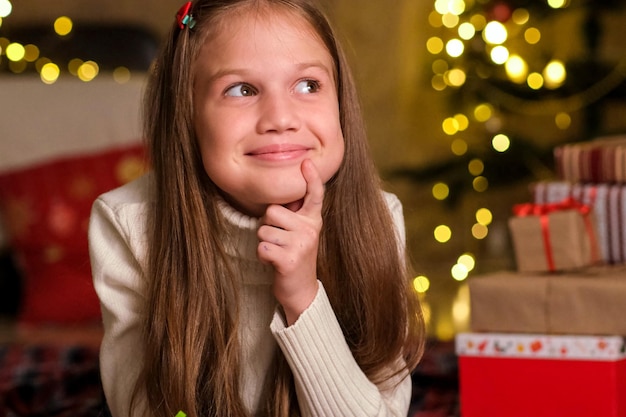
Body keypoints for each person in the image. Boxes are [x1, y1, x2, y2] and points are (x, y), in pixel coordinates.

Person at [88, 0, 425, 416]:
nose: (281, 118)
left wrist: (303, 296)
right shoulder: (130, 223)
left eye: (308, 85)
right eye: (241, 90)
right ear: (186, 113)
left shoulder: (378, 218)